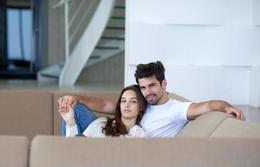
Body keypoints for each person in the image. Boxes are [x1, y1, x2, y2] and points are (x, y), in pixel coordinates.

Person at [58, 61, 245, 137]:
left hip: (130, 144)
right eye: (143, 87)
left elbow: (207, 105)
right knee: (73, 108)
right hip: (113, 133)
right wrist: (76, 97)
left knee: (79, 138)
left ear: (163, 84)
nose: (148, 92)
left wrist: (225, 106)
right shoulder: (142, 102)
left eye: (152, 86)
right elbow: (106, 104)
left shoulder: (176, 109)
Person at [58, 85, 148, 137]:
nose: (126, 105)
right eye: (123, 101)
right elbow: (75, 148)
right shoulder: (102, 123)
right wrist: (70, 122)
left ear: (140, 107)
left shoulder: (140, 134)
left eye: (133, 101)